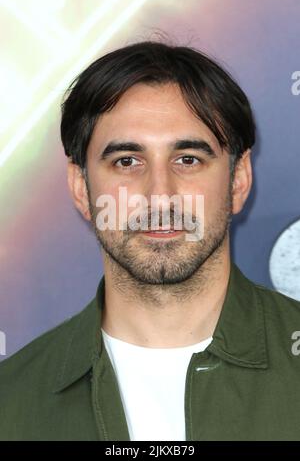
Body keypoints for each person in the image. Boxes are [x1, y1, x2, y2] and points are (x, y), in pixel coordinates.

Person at [1, 40, 300, 441]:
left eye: (188, 160)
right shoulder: (11, 401)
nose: (160, 195)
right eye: (127, 161)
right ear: (79, 187)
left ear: (238, 180)